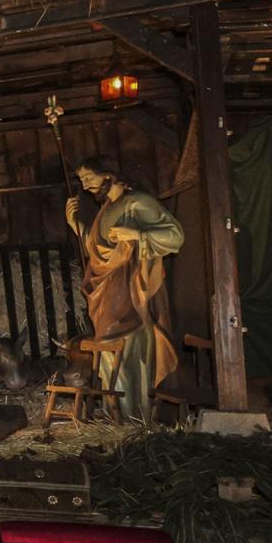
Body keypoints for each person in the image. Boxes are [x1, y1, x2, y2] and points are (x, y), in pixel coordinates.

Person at [67, 155, 185, 421]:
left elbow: (175, 236)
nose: (85, 186)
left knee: (132, 355)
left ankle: (137, 417)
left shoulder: (138, 203)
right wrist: (77, 225)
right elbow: (102, 253)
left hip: (132, 295)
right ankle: (117, 417)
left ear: (108, 174)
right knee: (110, 356)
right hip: (107, 296)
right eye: (82, 181)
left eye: (89, 178)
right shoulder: (107, 208)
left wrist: (137, 235)